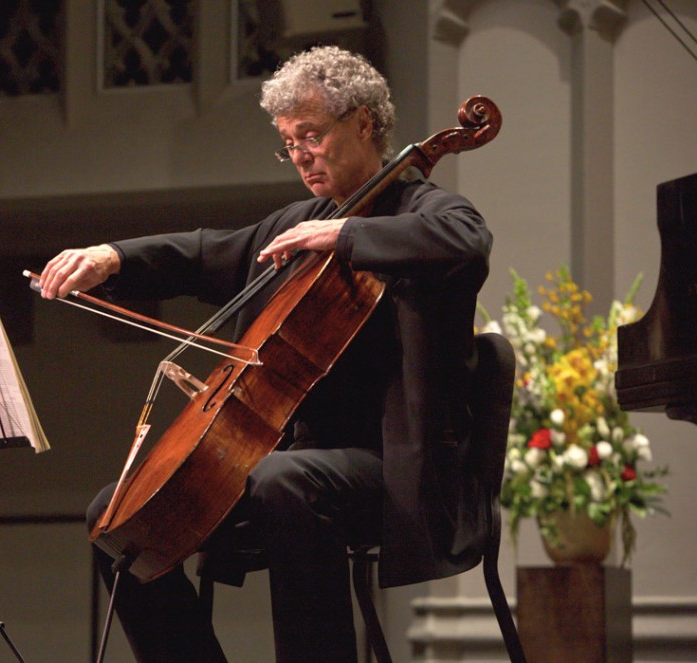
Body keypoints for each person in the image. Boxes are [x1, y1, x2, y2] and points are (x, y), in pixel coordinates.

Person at [39, 45, 493, 662]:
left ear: (363, 124)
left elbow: (467, 241)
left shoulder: (423, 210)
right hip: (287, 466)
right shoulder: (299, 222)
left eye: (311, 135)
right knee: (117, 520)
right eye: (289, 143)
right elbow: (204, 252)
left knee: (284, 480)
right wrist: (113, 257)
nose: (301, 156)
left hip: (398, 468)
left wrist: (347, 232)